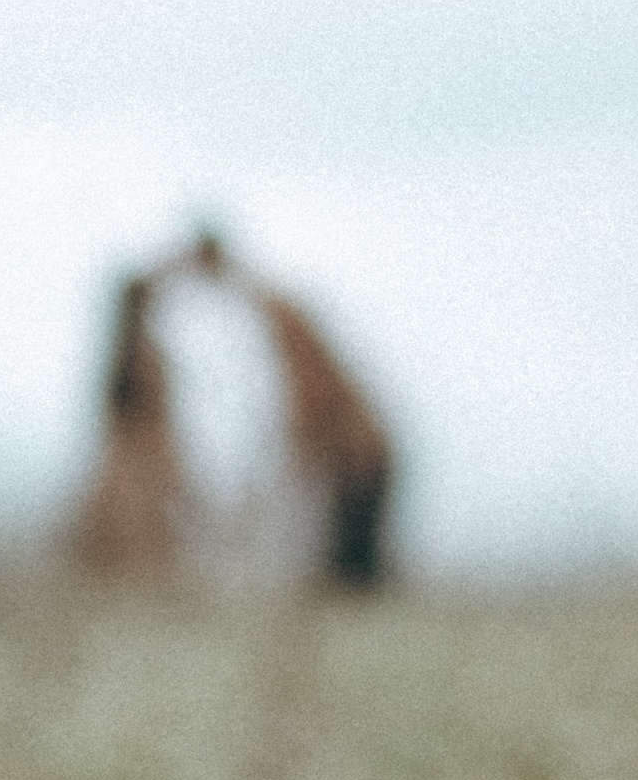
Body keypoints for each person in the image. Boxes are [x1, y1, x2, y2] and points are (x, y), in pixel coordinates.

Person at [188, 234, 395, 591]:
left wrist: (295, 456)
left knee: (351, 576)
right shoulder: (270, 304)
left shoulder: (276, 310)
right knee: (346, 568)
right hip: (352, 455)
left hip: (358, 457)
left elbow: (309, 393)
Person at [67, 267, 188, 576]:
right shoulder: (143, 353)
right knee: (138, 546)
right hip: (138, 461)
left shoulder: (125, 349)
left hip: (123, 460)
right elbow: (153, 413)